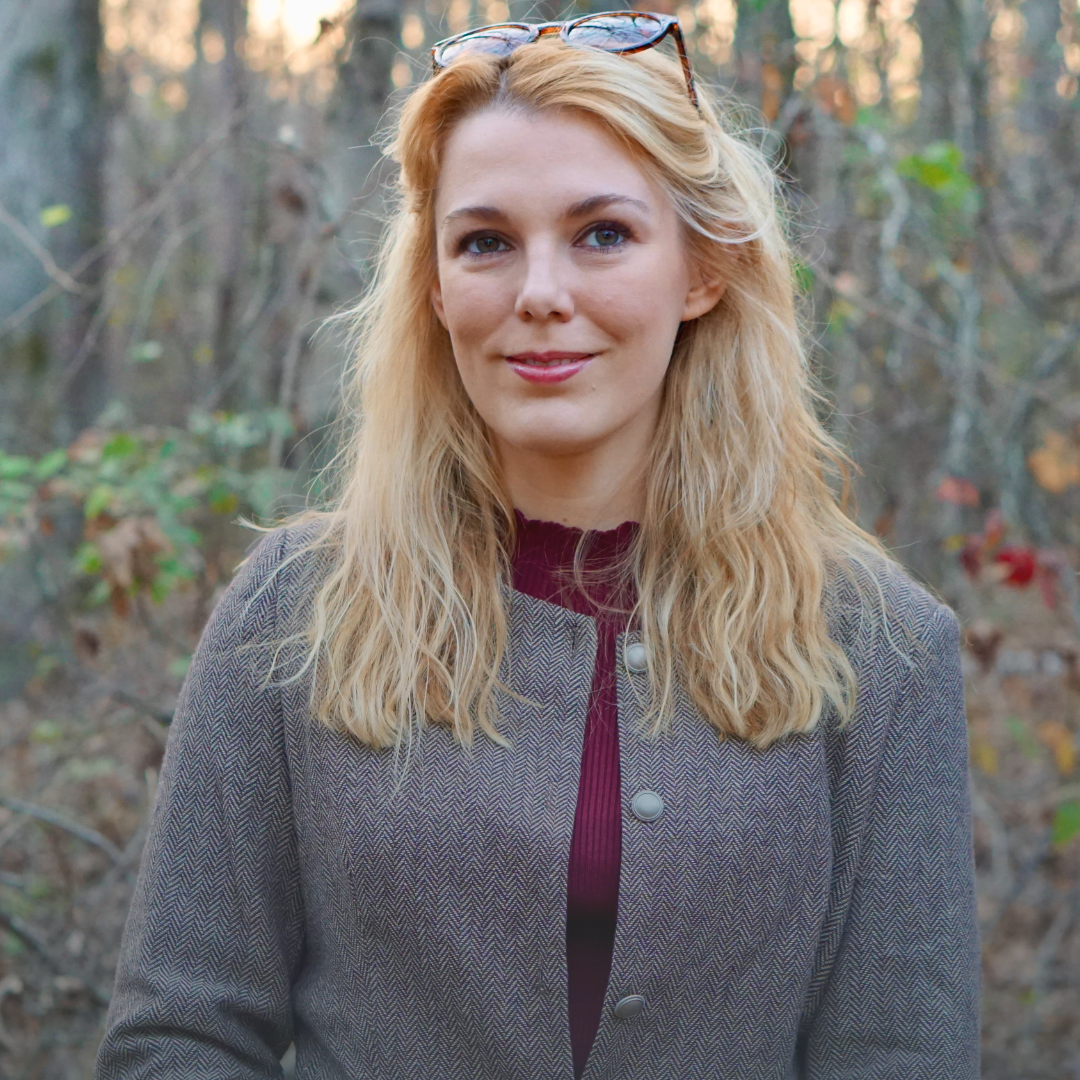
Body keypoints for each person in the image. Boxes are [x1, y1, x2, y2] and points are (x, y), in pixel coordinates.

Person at [95, 12, 980, 1079]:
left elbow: (901, 1052)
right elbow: (181, 1036)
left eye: (602, 234)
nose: (541, 295)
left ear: (701, 270)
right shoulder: (295, 609)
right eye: (486, 242)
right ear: (435, 284)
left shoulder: (881, 648)